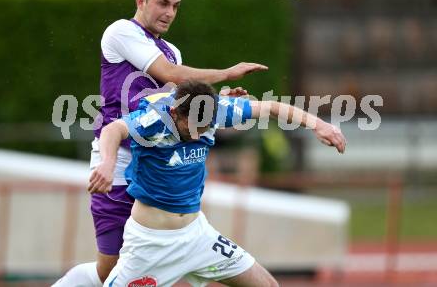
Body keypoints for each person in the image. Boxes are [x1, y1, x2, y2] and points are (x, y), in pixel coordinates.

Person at [52, 0, 267, 287]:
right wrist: (227, 72)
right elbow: (170, 74)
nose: (169, 12)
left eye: (176, 6)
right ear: (141, 0)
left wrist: (219, 97)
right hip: (116, 159)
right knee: (108, 271)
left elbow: (180, 105)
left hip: (148, 163)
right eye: (162, 3)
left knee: (134, 272)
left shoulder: (172, 51)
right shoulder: (121, 31)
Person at [88, 80, 346, 286]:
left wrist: (319, 125)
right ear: (176, 113)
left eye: (206, 125)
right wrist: (107, 164)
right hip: (150, 244)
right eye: (193, 126)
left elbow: (270, 107)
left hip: (198, 235)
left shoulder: (217, 109)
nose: (200, 132)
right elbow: (113, 130)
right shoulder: (155, 118)